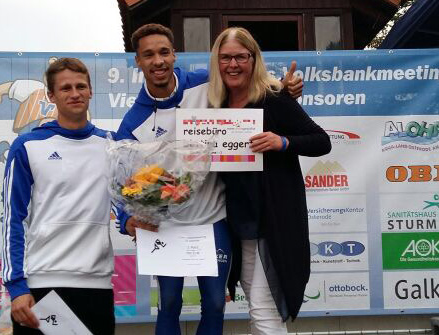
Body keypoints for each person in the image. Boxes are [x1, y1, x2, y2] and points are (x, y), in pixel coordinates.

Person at [114, 23, 303, 335]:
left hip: (212, 218)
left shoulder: (204, 83)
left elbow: (248, 84)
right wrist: (126, 219)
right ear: (137, 61)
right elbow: (121, 183)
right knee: (169, 303)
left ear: (174, 55)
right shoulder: (133, 122)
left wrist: (281, 90)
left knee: (216, 303)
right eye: (148, 55)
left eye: (164, 52)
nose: (158, 61)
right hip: (165, 225)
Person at [208, 27, 331, 335]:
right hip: (239, 225)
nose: (233, 64)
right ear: (216, 61)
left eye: (241, 56)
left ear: (254, 59)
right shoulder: (215, 105)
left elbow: (321, 141)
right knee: (259, 307)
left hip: (272, 222)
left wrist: (283, 142)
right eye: (225, 57)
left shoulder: (273, 98)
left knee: (263, 310)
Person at [2, 58, 115, 335]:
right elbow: (13, 220)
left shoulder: (112, 145)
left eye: (80, 86)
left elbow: (125, 201)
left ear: (90, 91)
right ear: (51, 95)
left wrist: (134, 220)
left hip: (97, 284)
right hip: (42, 283)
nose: (74, 93)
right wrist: (16, 287)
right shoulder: (27, 146)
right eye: (65, 88)